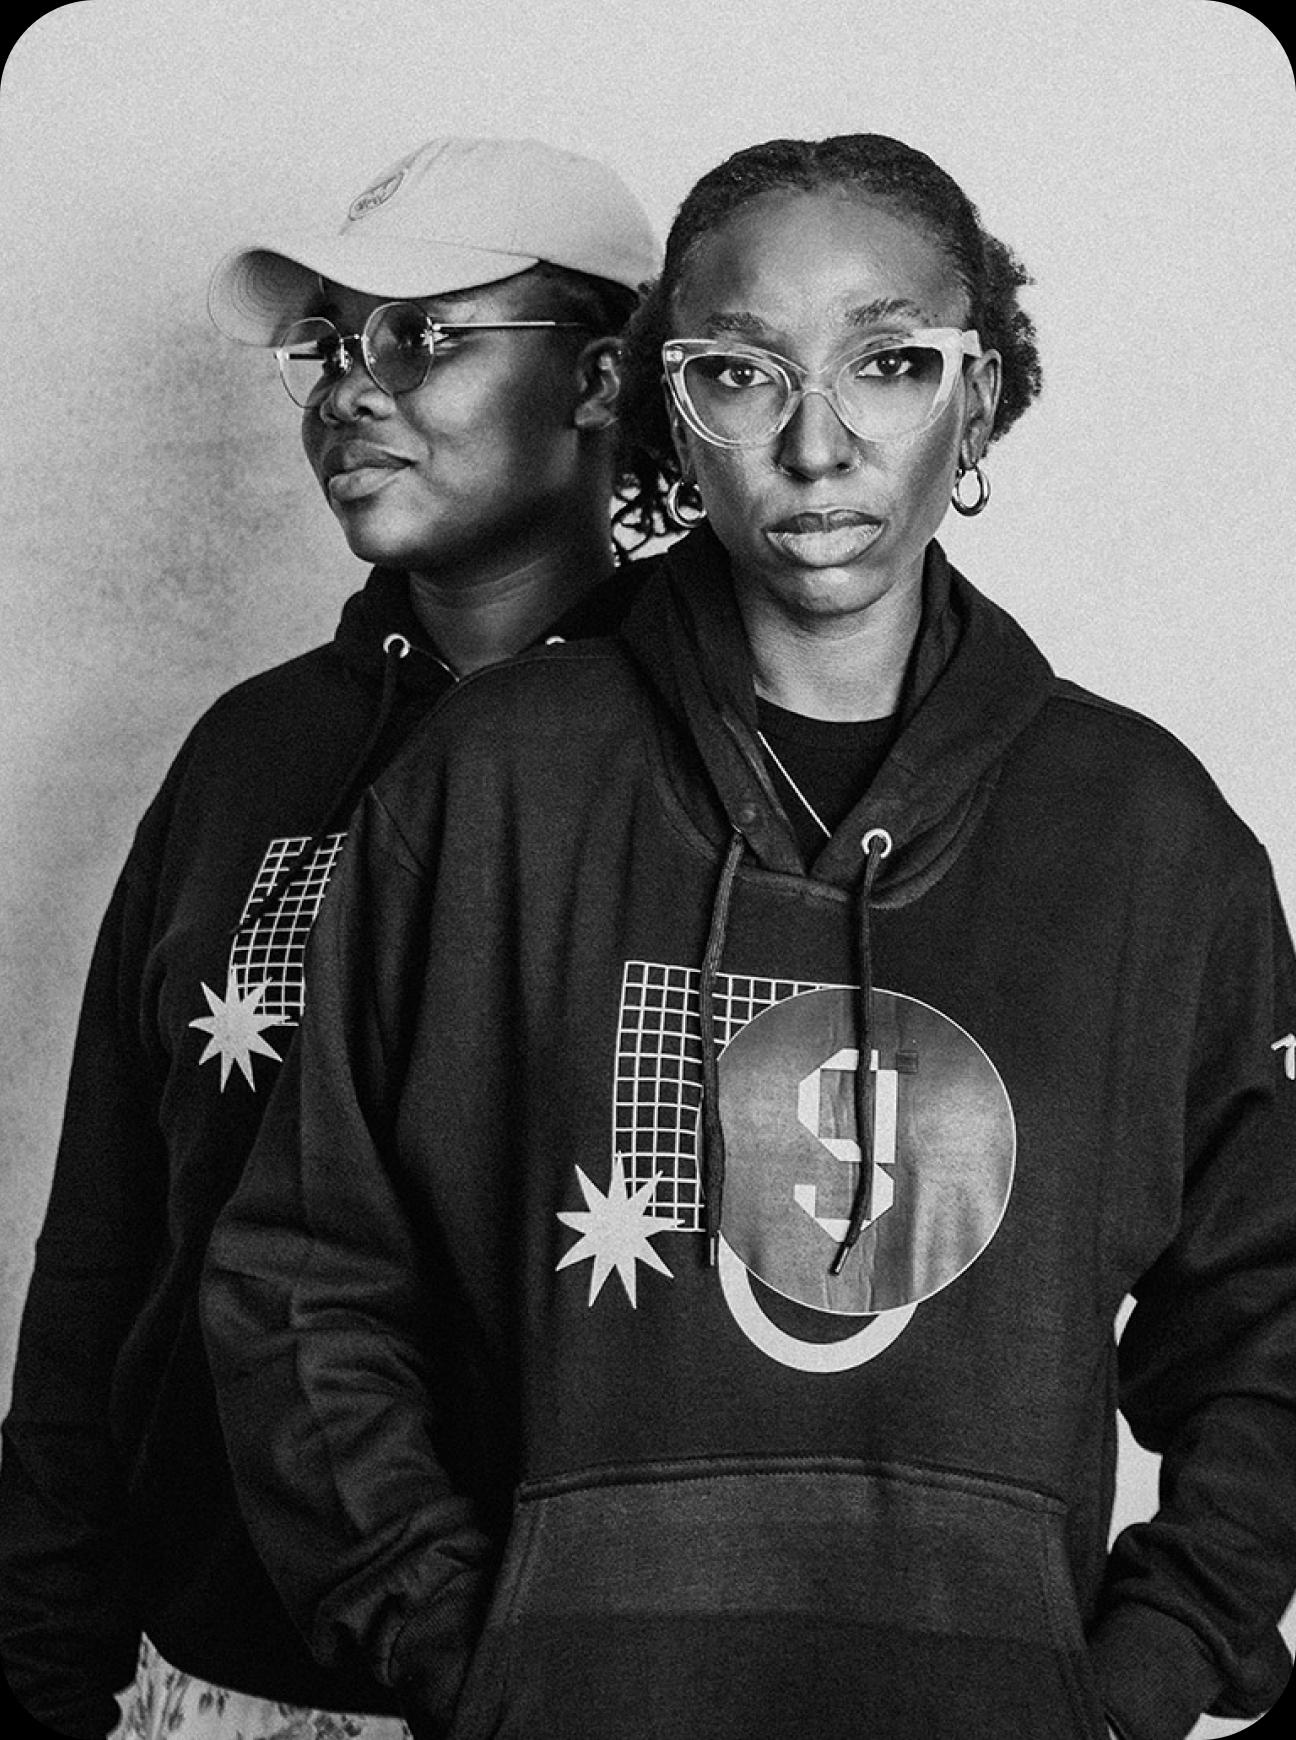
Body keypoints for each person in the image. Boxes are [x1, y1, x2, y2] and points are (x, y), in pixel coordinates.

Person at [200, 132, 1296, 1740]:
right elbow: (305, 1273)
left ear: (981, 396)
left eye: (891, 364)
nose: (818, 442)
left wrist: (1142, 1671)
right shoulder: (495, 780)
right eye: (740, 373)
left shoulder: (1146, 831)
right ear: (667, 407)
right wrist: (463, 1651)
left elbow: (1269, 1315)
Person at [0, 133, 664, 1740]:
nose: (351, 389)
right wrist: (42, 1648)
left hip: (586, 1675)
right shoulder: (253, 754)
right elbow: (108, 1236)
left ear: (599, 377)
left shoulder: (706, 757)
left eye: (423, 335)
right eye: (330, 342)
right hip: (216, 1664)